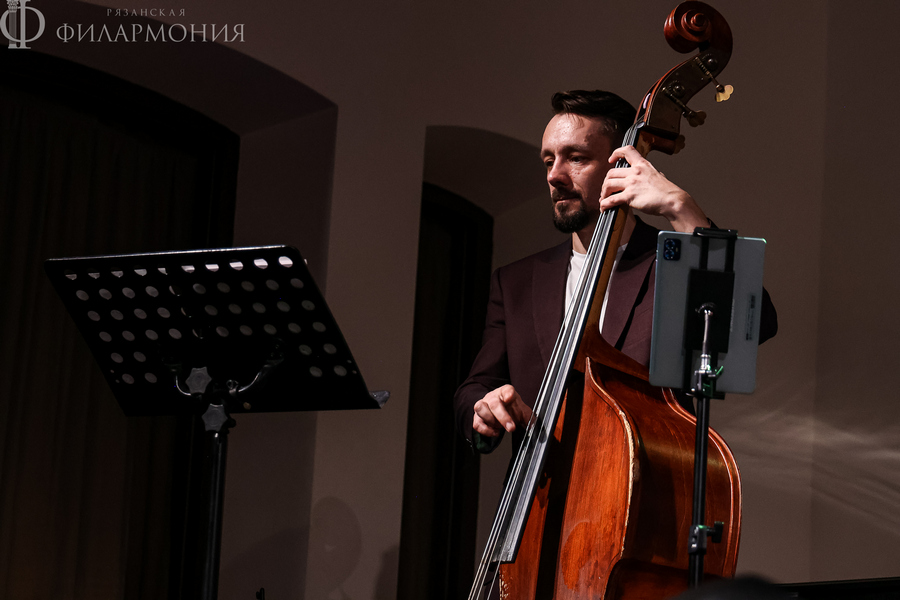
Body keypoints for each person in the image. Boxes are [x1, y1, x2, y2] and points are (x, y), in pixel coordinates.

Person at [453, 90, 777, 452]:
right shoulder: (514, 282)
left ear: (621, 167)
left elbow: (757, 322)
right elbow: (475, 388)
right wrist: (483, 409)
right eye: (548, 161)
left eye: (576, 158)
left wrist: (681, 208)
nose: (555, 175)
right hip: (540, 487)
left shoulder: (669, 265)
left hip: (639, 481)